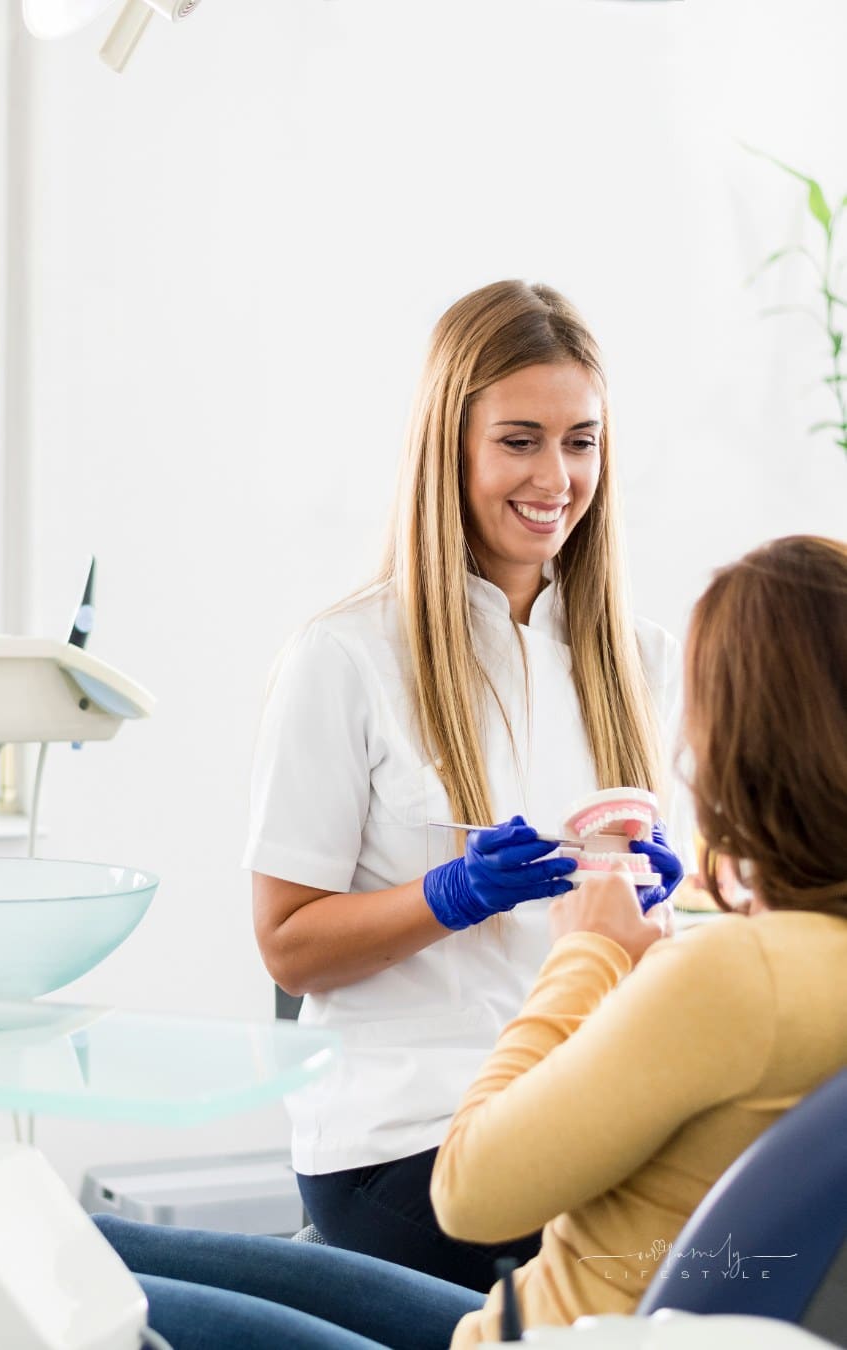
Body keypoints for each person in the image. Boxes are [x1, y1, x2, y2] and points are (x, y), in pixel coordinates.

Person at [95, 534, 847, 1348]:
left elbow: (466, 1192)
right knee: (94, 1247)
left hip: (530, 1329)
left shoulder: (737, 976)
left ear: (740, 746)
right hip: (537, 1310)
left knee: (49, 1277)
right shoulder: (792, 966)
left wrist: (586, 954)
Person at [241, 279, 691, 1287]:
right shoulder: (346, 657)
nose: (556, 476)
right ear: (453, 447)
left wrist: (678, 906)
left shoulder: (643, 661)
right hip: (404, 1130)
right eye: (520, 439)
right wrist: (447, 898)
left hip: (582, 1107)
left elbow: (680, 936)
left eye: (582, 441)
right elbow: (287, 946)